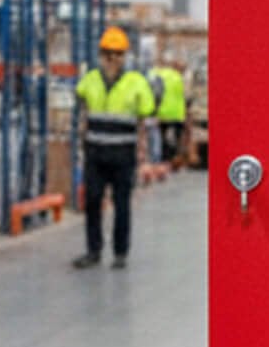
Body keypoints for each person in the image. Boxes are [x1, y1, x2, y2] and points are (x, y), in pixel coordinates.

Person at [73, 27, 155, 269]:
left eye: (118, 54)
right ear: (101, 55)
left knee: (122, 204)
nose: (112, 59)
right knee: (92, 201)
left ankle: (120, 252)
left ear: (124, 56)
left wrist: (143, 154)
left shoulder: (136, 83)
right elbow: (83, 114)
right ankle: (93, 250)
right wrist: (81, 147)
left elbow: (144, 118)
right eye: (108, 53)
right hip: (95, 154)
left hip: (123, 156)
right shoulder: (89, 81)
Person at [157, 56, 188, 166]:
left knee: (162, 136)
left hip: (162, 111)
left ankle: (163, 157)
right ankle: (175, 157)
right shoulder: (179, 78)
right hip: (176, 113)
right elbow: (184, 94)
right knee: (177, 137)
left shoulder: (160, 74)